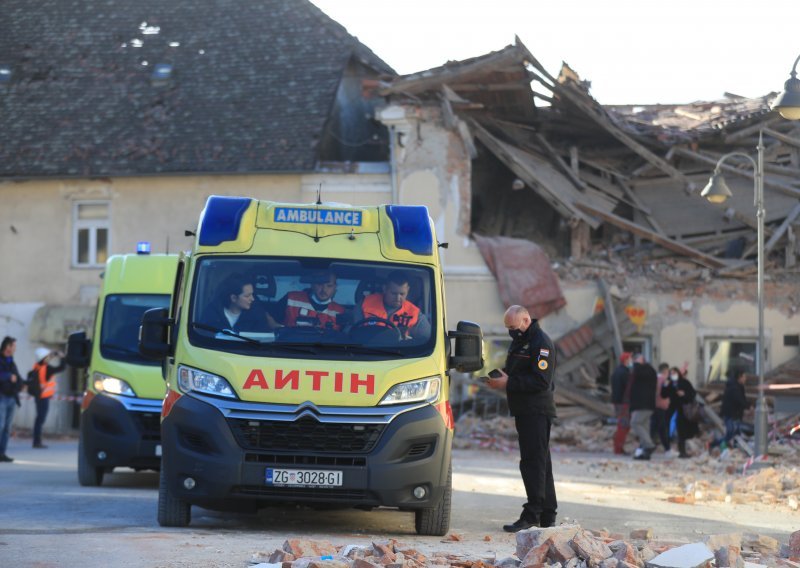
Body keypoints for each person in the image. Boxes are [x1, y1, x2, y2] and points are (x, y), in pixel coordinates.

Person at [486, 305, 557, 532]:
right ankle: (547, 514)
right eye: (508, 328)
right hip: (524, 409)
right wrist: (501, 375)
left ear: (526, 320)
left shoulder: (540, 343)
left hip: (536, 410)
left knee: (532, 463)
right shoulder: (522, 340)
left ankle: (532, 514)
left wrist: (509, 383)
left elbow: (540, 381)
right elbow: (516, 370)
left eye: (514, 327)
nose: (511, 332)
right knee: (541, 462)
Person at [357, 270, 430, 339]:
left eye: (402, 294)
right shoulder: (365, 303)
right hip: (367, 349)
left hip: (400, 351)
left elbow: (429, 339)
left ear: (408, 290)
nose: (398, 298)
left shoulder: (415, 313)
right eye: (394, 293)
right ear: (385, 289)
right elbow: (353, 331)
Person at [266, 271, 345, 330]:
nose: (324, 289)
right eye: (319, 284)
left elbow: (344, 338)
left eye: (329, 286)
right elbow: (268, 319)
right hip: (288, 348)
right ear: (312, 285)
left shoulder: (339, 311)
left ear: (335, 287)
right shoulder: (291, 299)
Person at [29, 347, 65, 449]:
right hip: (43, 397)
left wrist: (53, 354)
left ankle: (36, 441)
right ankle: (37, 442)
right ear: (43, 358)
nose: (48, 358)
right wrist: (62, 358)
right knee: (40, 419)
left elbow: (44, 360)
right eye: (47, 356)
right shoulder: (47, 369)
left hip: (39, 396)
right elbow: (61, 368)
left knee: (39, 419)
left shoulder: (37, 366)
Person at [661, 367, 699, 458]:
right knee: (668, 428)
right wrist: (665, 386)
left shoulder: (685, 383)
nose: (673, 375)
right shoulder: (669, 383)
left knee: (682, 431)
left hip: (683, 409)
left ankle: (683, 451)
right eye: (671, 373)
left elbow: (692, 394)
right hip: (672, 408)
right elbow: (663, 395)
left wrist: (684, 394)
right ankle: (671, 448)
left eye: (675, 373)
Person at [710, 367, 749, 451]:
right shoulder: (734, 388)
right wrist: (748, 406)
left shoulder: (739, 386)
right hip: (730, 414)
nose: (745, 378)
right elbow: (739, 400)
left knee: (736, 433)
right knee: (730, 433)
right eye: (744, 376)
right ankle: (714, 444)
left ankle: (735, 448)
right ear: (739, 377)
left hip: (736, 414)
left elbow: (742, 399)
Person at [629, 353, 657, 460]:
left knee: (635, 423)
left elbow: (637, 374)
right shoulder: (648, 370)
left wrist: (636, 364)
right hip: (646, 404)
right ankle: (645, 453)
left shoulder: (645, 370)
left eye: (635, 360)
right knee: (644, 428)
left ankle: (649, 445)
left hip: (643, 404)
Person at [0, 336, 22, 463]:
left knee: (7, 428)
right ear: (8, 347)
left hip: (11, 398)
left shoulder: (11, 362)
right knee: (0, 426)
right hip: (1, 397)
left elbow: (17, 377)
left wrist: (22, 383)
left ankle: (2, 453)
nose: (15, 349)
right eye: (14, 346)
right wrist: (9, 376)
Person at [610, 352, 633, 455]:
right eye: (630, 358)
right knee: (623, 426)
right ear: (626, 360)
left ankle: (618, 447)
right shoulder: (625, 373)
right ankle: (618, 449)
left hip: (617, 402)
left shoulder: (616, 371)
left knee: (622, 425)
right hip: (623, 403)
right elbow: (628, 389)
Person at [651, 363, 672, 455]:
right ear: (665, 371)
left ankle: (644, 447)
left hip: (654, 405)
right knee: (662, 428)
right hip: (661, 405)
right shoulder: (664, 380)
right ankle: (667, 449)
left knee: (654, 427)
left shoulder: (654, 378)